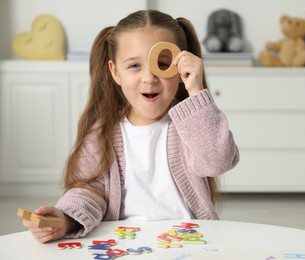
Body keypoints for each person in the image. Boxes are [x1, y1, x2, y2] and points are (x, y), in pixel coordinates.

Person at [22, 9, 239, 243]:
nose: (149, 78)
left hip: (190, 240)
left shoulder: (191, 124)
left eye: (162, 64)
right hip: (125, 243)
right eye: (134, 66)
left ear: (179, 69)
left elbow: (217, 161)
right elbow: (89, 190)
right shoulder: (102, 134)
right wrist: (65, 218)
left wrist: (195, 91)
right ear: (115, 72)